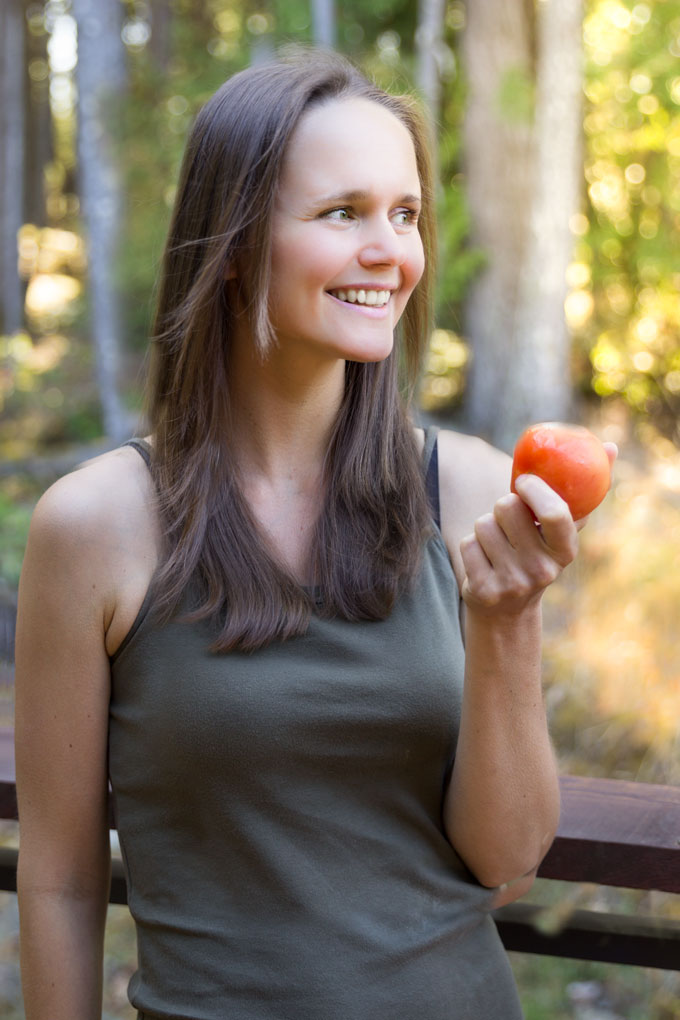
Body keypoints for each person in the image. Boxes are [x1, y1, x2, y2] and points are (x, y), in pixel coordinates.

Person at [14, 50, 614, 1020]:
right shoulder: (93, 527)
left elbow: (504, 864)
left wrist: (506, 627)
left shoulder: (462, 486)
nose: (391, 251)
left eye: (406, 214)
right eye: (342, 213)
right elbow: (58, 880)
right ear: (237, 241)